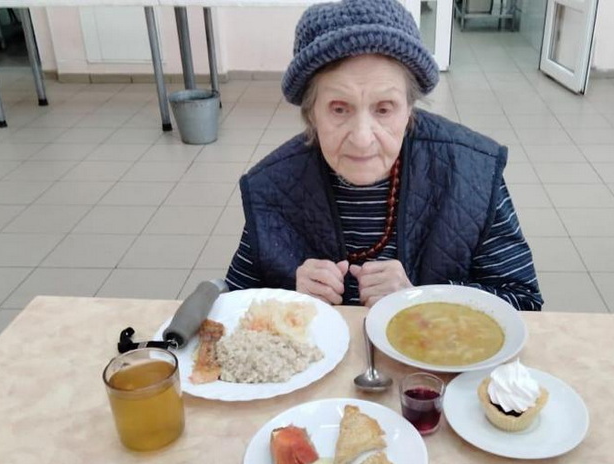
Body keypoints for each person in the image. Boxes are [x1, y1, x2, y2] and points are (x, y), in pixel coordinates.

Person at [225, 0, 542, 310]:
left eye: (384, 109)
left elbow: (524, 302)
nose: (362, 139)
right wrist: (288, 298)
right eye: (339, 109)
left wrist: (423, 299)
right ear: (312, 113)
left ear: (409, 109)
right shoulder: (273, 185)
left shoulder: (471, 173)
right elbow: (232, 304)